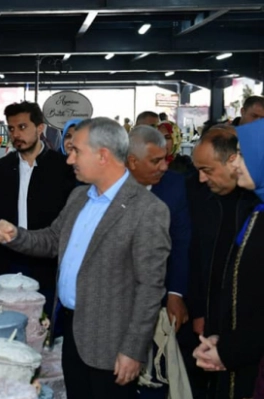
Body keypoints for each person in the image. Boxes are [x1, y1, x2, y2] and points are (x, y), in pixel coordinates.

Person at [0, 117, 170, 399]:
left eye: (76, 151)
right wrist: (16, 235)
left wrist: (133, 350)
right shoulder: (79, 197)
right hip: (73, 333)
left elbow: (150, 288)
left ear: (103, 155)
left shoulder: (147, 210)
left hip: (112, 344)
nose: (68, 159)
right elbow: (52, 240)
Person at [0, 101, 75, 311]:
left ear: (40, 128)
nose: (16, 134)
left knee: (44, 324)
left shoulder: (63, 168)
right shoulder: (0, 168)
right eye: (11, 129)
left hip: (48, 262)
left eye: (22, 127)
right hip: (7, 260)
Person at [193, 119, 264, 399]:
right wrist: (223, 341)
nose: (234, 165)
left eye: (242, 156)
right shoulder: (258, 210)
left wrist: (230, 350)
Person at [127, 126, 192, 399]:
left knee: (156, 371)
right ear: (132, 161)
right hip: (117, 296)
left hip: (160, 297)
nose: (165, 166)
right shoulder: (104, 184)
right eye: (156, 161)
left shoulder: (176, 186)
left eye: (165, 158)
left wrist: (175, 293)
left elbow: (182, 241)